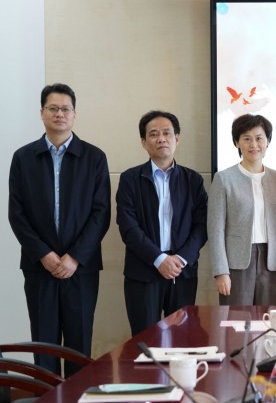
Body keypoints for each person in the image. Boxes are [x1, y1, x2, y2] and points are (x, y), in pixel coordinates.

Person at [8, 83, 111, 376]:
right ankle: (47, 399)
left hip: (81, 268)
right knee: (44, 346)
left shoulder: (94, 157)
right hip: (39, 267)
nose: (59, 114)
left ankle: (76, 400)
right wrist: (44, 254)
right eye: (53, 108)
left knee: (79, 345)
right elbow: (17, 214)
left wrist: (74, 257)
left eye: (66, 109)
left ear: (74, 114)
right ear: (42, 113)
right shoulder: (23, 158)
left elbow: (101, 213)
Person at [116, 111, 208, 336]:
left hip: (182, 272)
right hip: (143, 271)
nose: (161, 139)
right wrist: (159, 259)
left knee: (182, 339)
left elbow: (202, 226)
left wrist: (181, 259)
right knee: (145, 339)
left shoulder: (193, 180)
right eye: (154, 134)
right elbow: (128, 227)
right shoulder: (130, 179)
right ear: (143, 142)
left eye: (167, 133)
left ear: (177, 139)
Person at [208, 114, 276, 305]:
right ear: (237, 143)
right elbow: (215, 230)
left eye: (259, 138)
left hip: (271, 262)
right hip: (236, 264)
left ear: (268, 141)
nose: (254, 144)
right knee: (236, 319)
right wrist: (221, 271)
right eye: (246, 139)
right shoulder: (224, 179)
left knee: (268, 318)